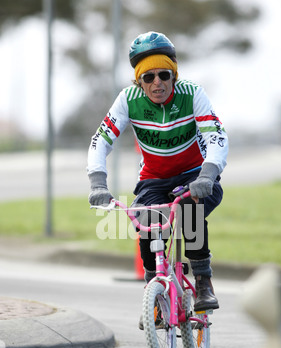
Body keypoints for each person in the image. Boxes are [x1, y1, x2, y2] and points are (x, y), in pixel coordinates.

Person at [87, 31, 228, 322]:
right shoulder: (128, 100)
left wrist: (208, 175)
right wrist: (98, 183)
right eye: (147, 77)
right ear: (138, 81)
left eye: (164, 74)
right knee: (148, 226)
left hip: (196, 177)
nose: (157, 83)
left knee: (190, 214)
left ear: (173, 75)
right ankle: (153, 292)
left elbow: (217, 137)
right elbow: (100, 141)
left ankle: (203, 282)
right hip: (153, 180)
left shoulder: (192, 94)